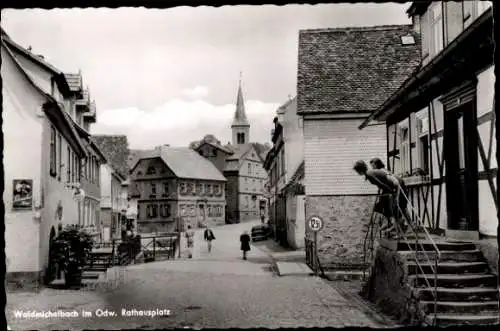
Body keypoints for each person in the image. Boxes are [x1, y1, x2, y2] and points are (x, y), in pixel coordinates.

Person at [353, 160, 408, 238]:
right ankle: (391, 224)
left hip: (395, 185)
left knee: (394, 209)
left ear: (359, 170)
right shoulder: (370, 173)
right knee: (379, 206)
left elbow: (381, 183)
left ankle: (399, 231)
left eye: (357, 171)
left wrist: (391, 191)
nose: (357, 173)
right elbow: (381, 182)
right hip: (391, 185)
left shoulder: (369, 174)